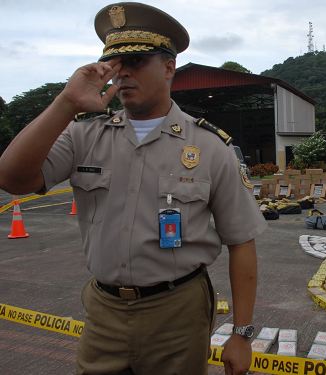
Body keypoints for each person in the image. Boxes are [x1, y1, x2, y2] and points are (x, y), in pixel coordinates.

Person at [0, 3, 267, 375]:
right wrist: (66, 102)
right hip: (104, 310)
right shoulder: (84, 135)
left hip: (178, 311)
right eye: (114, 64)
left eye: (137, 60)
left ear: (169, 67)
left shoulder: (209, 147)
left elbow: (242, 241)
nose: (123, 73)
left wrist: (241, 333)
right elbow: (11, 178)